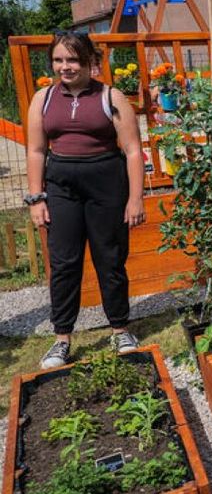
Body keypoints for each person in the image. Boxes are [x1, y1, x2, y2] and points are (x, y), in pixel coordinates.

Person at [25, 31, 146, 368]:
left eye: (73, 60)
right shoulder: (43, 99)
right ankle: (62, 338)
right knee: (64, 262)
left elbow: (133, 151)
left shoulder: (111, 96)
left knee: (110, 258)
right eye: (58, 60)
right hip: (61, 186)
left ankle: (120, 329)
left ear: (90, 61)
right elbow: (36, 151)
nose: (65, 66)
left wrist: (135, 198)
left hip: (106, 185)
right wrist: (36, 199)